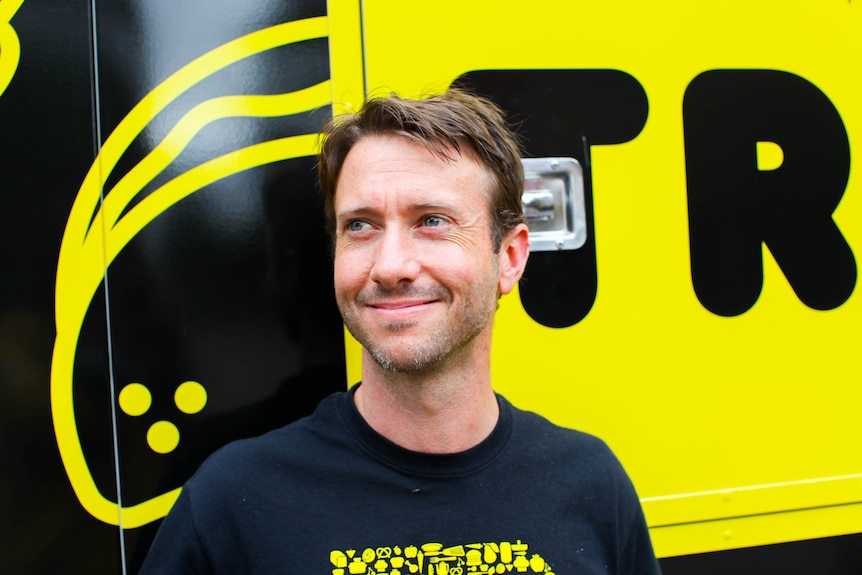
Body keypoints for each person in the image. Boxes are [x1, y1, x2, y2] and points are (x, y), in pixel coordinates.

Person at [140, 88, 661, 574]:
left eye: (432, 221)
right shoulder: (231, 504)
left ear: (510, 257)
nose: (390, 266)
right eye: (360, 226)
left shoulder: (592, 486)